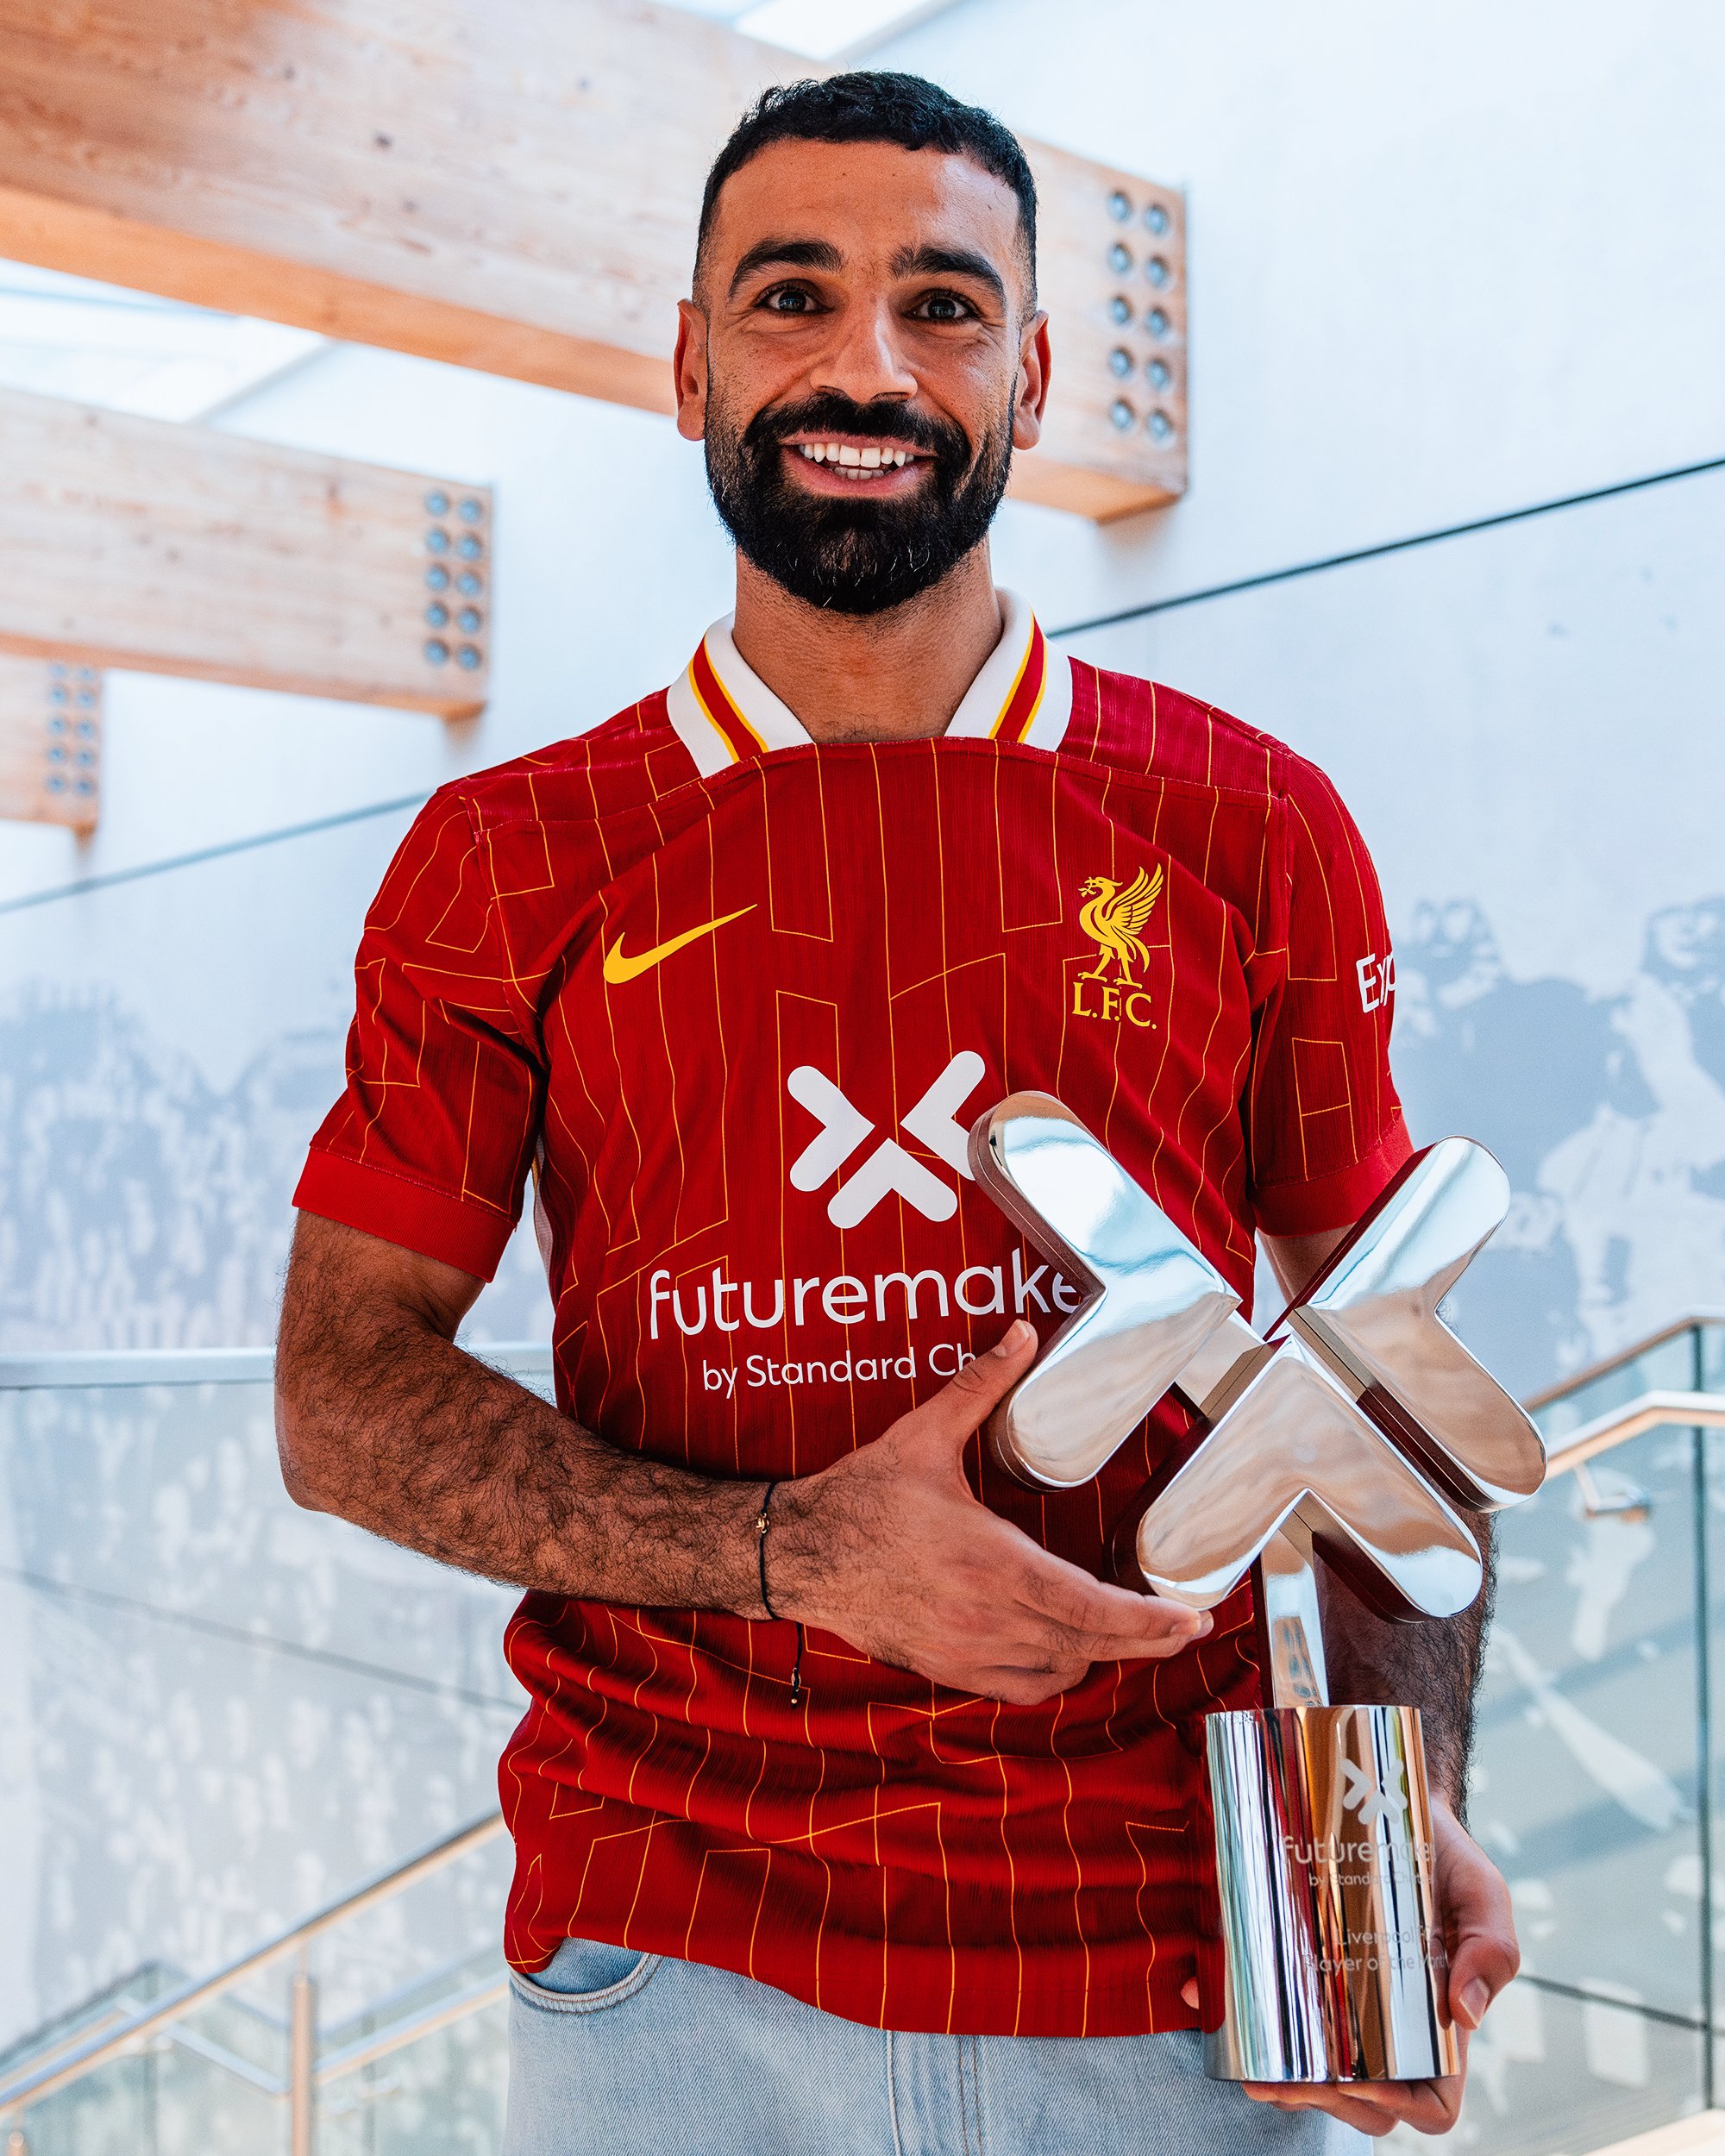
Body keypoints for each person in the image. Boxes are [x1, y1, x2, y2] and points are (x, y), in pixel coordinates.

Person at [275, 70, 1518, 2153]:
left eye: (943, 307)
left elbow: (1380, 1366)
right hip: (668, 1953)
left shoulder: (1251, 824)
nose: (867, 366)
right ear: (690, 365)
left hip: (1178, 1955)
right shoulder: (507, 852)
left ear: (1031, 370)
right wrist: (786, 1552)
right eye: (792, 297)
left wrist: (1404, 1816)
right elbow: (342, 1393)